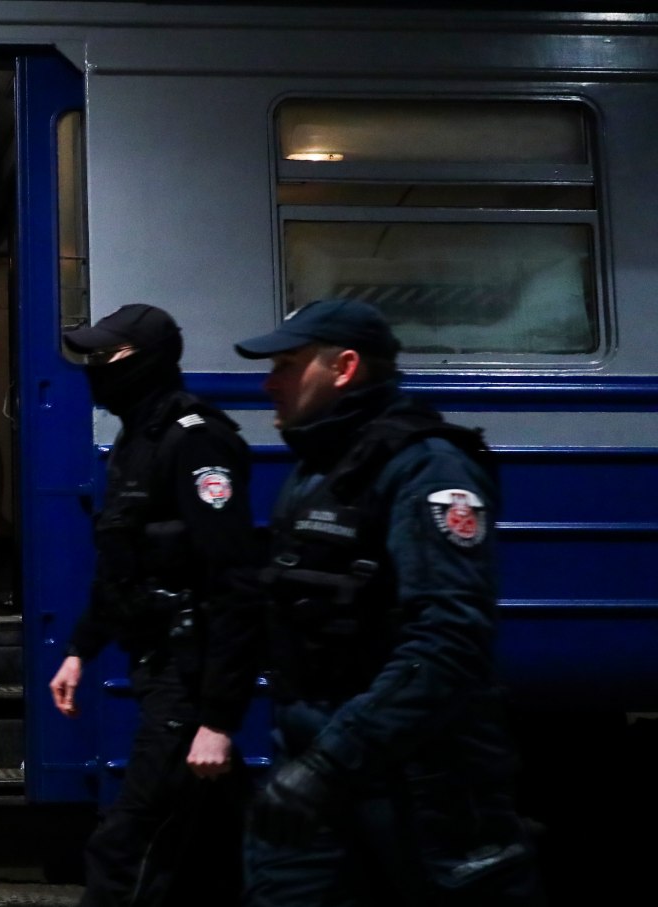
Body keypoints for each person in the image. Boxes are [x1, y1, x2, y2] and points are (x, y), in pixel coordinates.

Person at [234, 298, 546, 906]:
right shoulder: (318, 471)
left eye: (288, 365)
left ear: (344, 367)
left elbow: (448, 642)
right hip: (324, 766)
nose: (270, 383)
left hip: (418, 779)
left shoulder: (427, 469)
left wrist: (328, 765)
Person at [49, 303, 262, 907]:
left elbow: (235, 582)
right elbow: (124, 561)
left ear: (147, 363)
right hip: (159, 666)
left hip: (186, 678)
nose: (93, 368)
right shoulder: (135, 440)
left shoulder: (197, 442)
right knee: (218, 855)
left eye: (105, 356)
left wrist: (217, 718)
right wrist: (80, 651)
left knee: (126, 849)